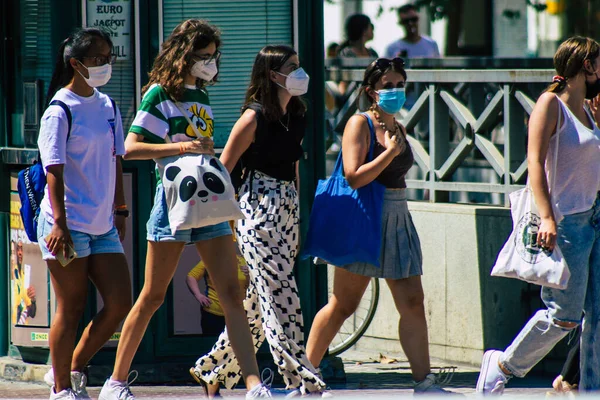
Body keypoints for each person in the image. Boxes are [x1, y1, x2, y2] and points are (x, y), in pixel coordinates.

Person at [98, 19, 270, 400]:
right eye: (203, 56)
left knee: (230, 292)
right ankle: (115, 381)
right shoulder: (160, 94)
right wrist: (182, 148)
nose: (210, 63)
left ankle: (254, 384)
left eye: (213, 57)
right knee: (153, 296)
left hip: (207, 199)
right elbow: (131, 147)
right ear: (185, 55)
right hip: (172, 200)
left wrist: (201, 150)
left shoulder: (201, 96)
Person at [305, 57, 451, 395]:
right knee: (343, 304)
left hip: (397, 215)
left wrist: (393, 148)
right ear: (372, 91)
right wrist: (386, 154)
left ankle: (424, 382)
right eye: (388, 86)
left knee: (413, 300)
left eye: (400, 85)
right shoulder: (360, 124)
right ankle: (305, 375)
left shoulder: (396, 124)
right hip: (367, 216)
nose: (395, 91)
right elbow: (353, 177)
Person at [189, 45, 327, 398]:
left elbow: (294, 166)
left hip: (287, 210)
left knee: (257, 305)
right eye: (291, 66)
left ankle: (212, 371)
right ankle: (301, 381)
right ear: (272, 74)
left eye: (298, 64)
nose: (299, 72)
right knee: (283, 297)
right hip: (256, 210)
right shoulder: (252, 118)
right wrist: (226, 224)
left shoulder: (298, 113)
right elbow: (223, 170)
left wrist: (296, 208)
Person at [476, 36, 600, 394]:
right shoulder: (550, 104)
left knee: (598, 317)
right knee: (563, 317)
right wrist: (547, 217)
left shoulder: (590, 112)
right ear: (587, 65)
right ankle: (502, 364)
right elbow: (534, 164)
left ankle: (591, 388)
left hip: (594, 217)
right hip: (566, 224)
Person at [36, 28, 132, 400]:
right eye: (98, 58)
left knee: (121, 302)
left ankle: (71, 368)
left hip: (103, 224)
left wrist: (120, 208)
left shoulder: (107, 106)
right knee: (71, 306)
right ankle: (61, 390)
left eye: (109, 56)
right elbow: (53, 171)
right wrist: (59, 223)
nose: (106, 64)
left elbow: (116, 158)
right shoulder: (59, 111)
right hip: (66, 225)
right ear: (76, 63)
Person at [186, 253, 250, 336]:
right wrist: (198, 295)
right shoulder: (210, 259)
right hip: (214, 313)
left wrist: (250, 275)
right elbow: (191, 276)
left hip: (238, 313)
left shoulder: (243, 261)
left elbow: (250, 287)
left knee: (239, 344)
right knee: (212, 344)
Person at [11, 240, 37, 325]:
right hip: (10, 328)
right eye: (17, 250)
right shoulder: (10, 273)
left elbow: (32, 313)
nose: (19, 253)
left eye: (21, 249)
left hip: (22, 328)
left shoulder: (25, 276)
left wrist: (33, 300)